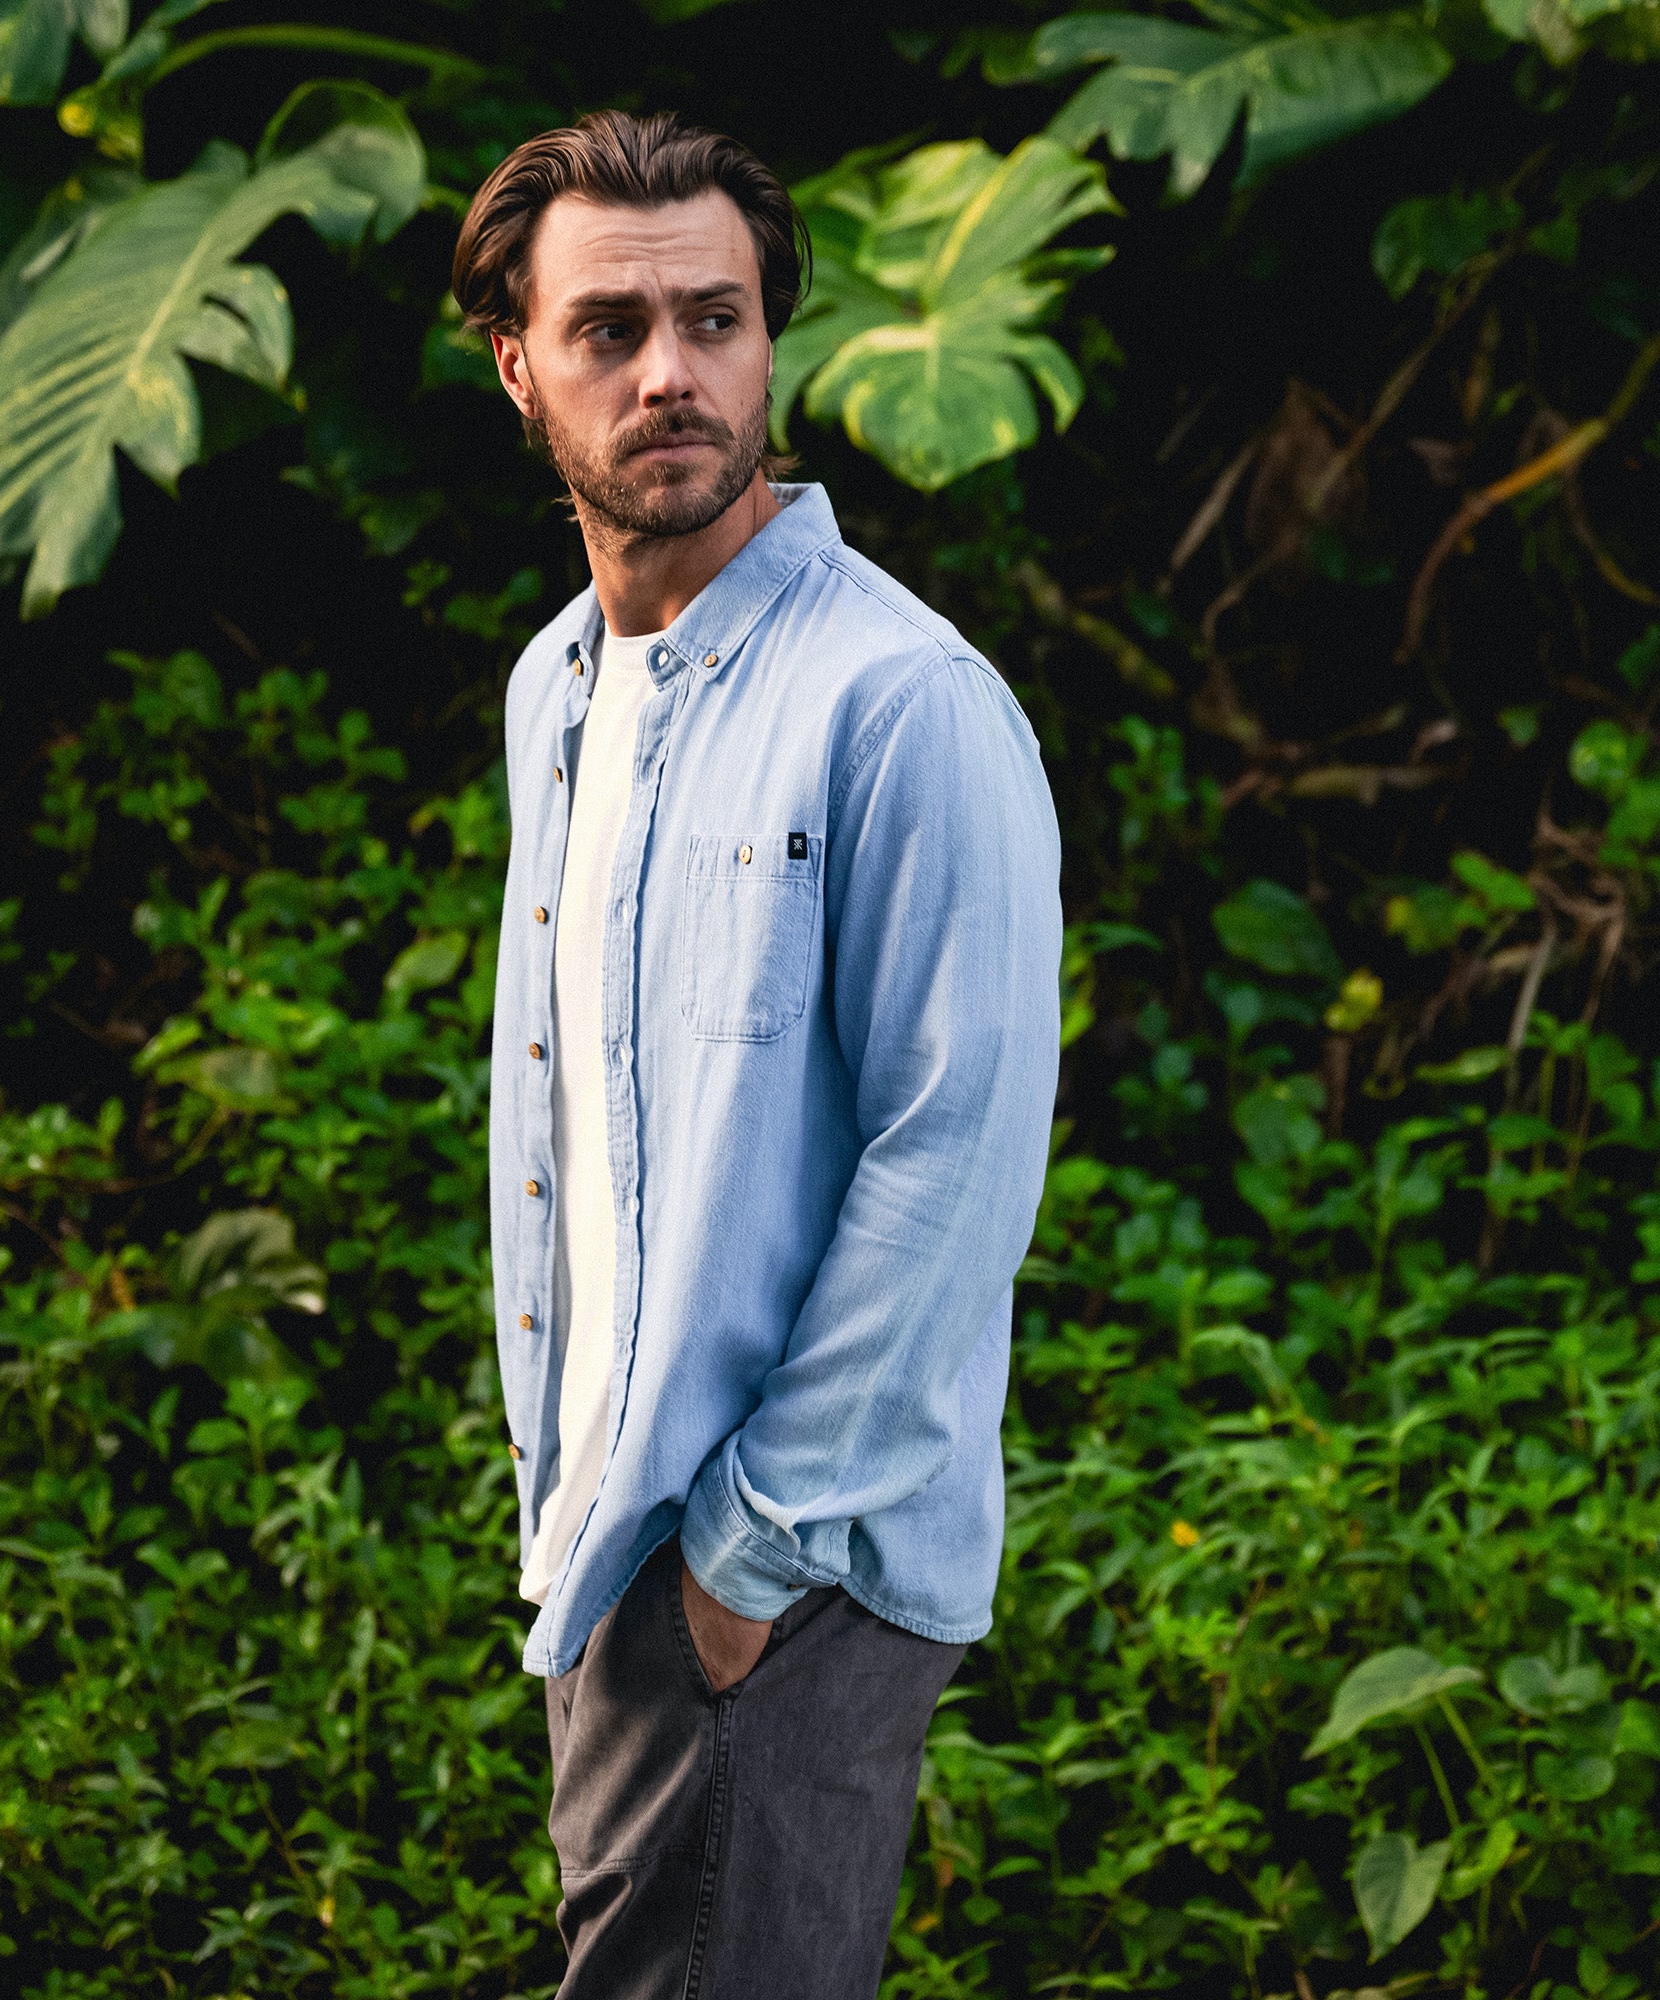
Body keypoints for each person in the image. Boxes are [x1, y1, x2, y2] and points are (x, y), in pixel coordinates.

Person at [452, 108, 1063, 1998]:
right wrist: (594, 1520)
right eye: (611, 330)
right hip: (609, 1537)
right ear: (519, 369)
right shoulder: (560, 686)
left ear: (770, 344)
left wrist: (744, 1567)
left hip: (773, 1576)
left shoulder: (902, 704)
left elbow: (953, 1159)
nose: (670, 375)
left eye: (713, 319)